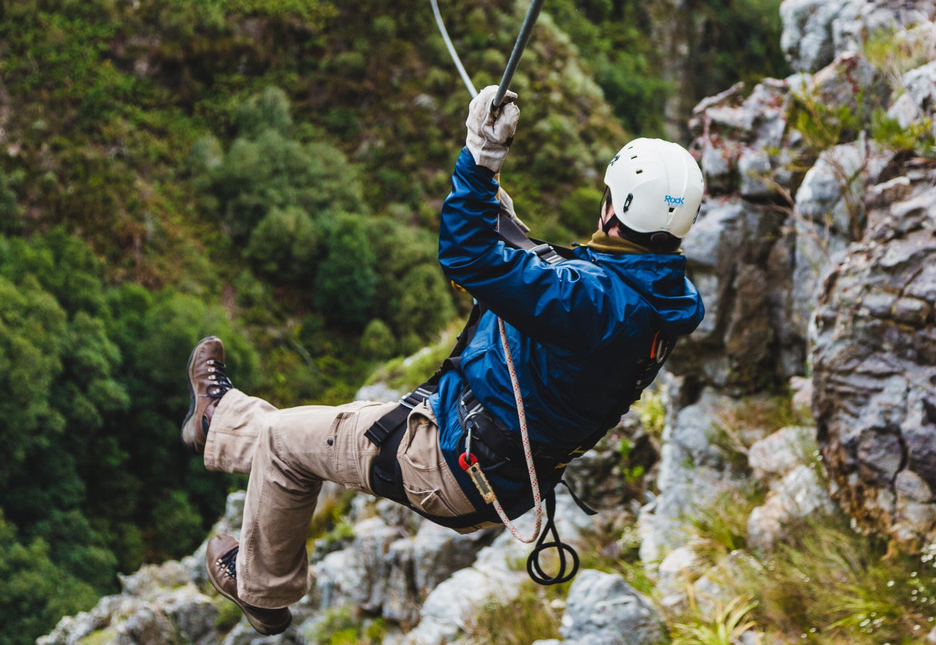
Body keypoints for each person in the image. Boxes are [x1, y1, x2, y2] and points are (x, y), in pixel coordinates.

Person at [181, 85, 705, 635]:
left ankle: (261, 588)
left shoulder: (594, 303)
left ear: (616, 206)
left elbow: (469, 256)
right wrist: (490, 196)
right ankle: (218, 420)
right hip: (492, 470)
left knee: (285, 443)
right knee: (311, 435)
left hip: (446, 459)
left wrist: (480, 162)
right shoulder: (652, 299)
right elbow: (543, 278)